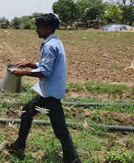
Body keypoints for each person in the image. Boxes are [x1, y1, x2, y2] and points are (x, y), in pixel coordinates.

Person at [6, 13, 81, 163]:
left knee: (60, 129)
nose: (36, 30)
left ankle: (72, 159)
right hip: (46, 91)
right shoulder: (54, 42)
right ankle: (19, 145)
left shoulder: (50, 45)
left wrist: (23, 73)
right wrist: (29, 64)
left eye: (38, 27)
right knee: (27, 112)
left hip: (50, 95)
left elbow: (44, 72)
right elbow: (45, 65)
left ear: (48, 28)